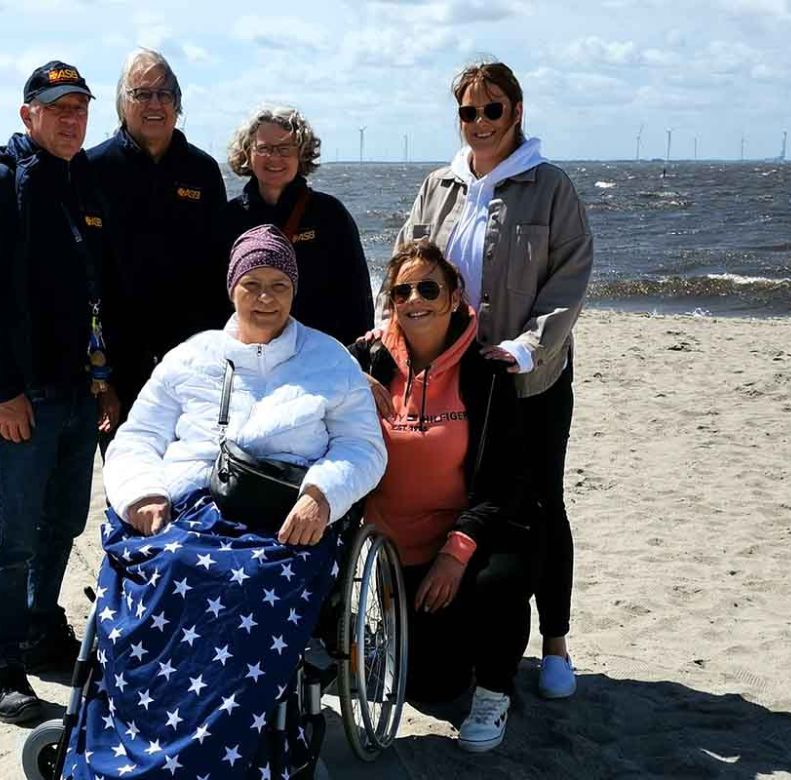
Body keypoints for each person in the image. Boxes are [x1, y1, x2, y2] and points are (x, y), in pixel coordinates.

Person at [60, 225, 387, 779]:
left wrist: (321, 496)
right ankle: (135, 739)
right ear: (231, 286)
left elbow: (362, 446)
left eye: (279, 284)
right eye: (252, 283)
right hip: (185, 508)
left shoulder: (329, 360)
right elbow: (137, 438)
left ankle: (225, 752)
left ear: (295, 289)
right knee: (163, 566)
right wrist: (143, 492)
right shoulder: (191, 357)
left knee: (240, 582)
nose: (265, 297)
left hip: (281, 518)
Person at [393, 59, 593, 700]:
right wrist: (389, 337)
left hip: (528, 380)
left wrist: (527, 350)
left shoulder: (550, 187)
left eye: (492, 109)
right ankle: (475, 637)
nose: (479, 123)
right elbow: (403, 268)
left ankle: (556, 644)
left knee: (538, 505)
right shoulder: (439, 187)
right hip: (453, 382)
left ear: (516, 113)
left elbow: (569, 278)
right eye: (468, 112)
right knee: (469, 499)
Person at [0, 60, 120, 724]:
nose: (72, 119)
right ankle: (2, 661)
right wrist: (2, 392)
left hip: (78, 394)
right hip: (22, 396)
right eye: (59, 109)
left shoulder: (80, 183)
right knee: (13, 529)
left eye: (80, 108)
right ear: (29, 115)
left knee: (63, 523)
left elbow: (92, 296)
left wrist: (103, 383)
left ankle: (41, 629)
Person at [352, 240, 540, 752]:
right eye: (402, 290)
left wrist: (456, 555)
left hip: (463, 547)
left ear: (455, 295)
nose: (416, 298)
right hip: (391, 552)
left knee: (503, 579)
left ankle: (495, 690)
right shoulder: (363, 359)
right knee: (433, 687)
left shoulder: (486, 374)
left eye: (429, 287)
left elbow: (506, 482)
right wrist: (345, 380)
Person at [87, 47, 228, 416]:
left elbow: (221, 267)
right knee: (127, 469)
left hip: (192, 357)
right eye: (142, 93)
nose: (155, 103)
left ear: (177, 105)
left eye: (165, 94)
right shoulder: (91, 169)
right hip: (117, 360)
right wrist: (100, 375)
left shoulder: (203, 171)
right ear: (122, 104)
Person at [222, 106, 374, 346]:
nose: (274, 158)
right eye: (264, 148)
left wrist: (354, 358)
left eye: (285, 149)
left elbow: (357, 297)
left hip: (318, 355)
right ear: (247, 153)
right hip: (247, 355)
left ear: (301, 154)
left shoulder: (330, 215)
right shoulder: (228, 218)